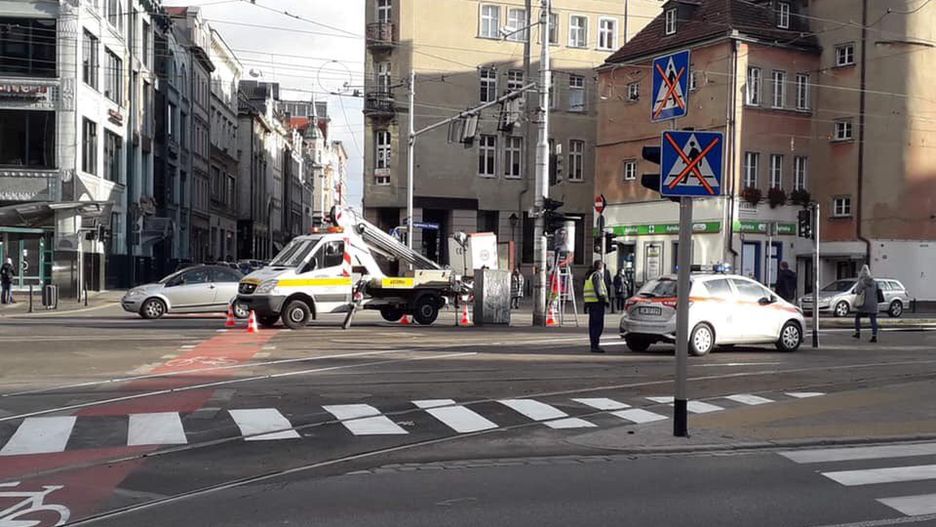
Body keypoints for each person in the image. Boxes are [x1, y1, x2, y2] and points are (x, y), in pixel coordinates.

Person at [584, 260, 610, 353]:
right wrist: (604, 300)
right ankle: (595, 345)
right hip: (597, 303)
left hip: (591, 303)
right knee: (598, 325)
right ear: (601, 267)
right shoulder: (597, 275)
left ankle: (593, 345)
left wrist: (585, 305)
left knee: (593, 325)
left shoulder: (589, 275)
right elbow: (598, 289)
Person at [853, 264, 880, 343]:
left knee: (857, 317)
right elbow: (878, 291)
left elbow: (858, 292)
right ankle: (874, 336)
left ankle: (857, 332)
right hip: (873, 304)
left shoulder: (862, 282)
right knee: (873, 320)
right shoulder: (875, 282)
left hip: (864, 304)